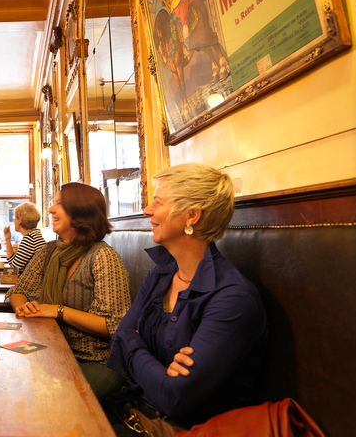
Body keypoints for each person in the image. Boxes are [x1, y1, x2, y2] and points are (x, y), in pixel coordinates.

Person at [103, 163, 268, 430]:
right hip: (134, 412)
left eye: (158, 202)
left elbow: (175, 397)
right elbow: (118, 341)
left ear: (191, 216)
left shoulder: (233, 298)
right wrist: (161, 368)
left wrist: (133, 342)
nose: (147, 210)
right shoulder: (159, 275)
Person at [6, 183, 131, 398]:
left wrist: (58, 310)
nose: (50, 209)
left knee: (39, 398)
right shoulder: (49, 251)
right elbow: (17, 291)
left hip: (95, 362)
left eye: (59, 204)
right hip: (50, 350)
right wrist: (25, 308)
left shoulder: (102, 256)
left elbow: (115, 325)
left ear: (81, 212)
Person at [3, 202, 46, 275]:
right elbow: (15, 265)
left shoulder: (29, 239)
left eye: (15, 217)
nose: (14, 220)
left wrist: (7, 239)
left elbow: (14, 269)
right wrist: (8, 238)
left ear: (20, 220)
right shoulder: (35, 235)